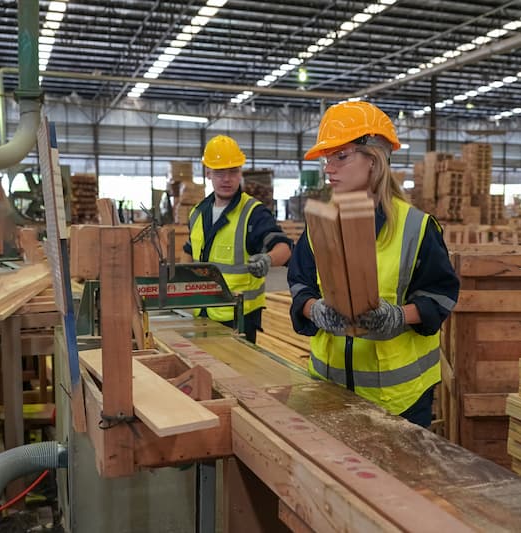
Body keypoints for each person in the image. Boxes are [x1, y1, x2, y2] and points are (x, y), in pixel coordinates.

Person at [287, 101, 460, 427]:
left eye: (341, 156)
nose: (328, 169)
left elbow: (440, 296)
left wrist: (398, 317)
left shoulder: (416, 227)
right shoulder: (320, 224)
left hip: (398, 401)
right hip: (328, 390)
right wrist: (314, 310)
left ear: (374, 158)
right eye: (327, 159)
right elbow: (300, 284)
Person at [184, 134, 292, 343]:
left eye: (233, 171)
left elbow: (284, 247)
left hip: (239, 318)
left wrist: (268, 259)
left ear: (240, 172)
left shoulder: (253, 213)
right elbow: (189, 250)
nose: (227, 179)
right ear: (208, 173)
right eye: (220, 172)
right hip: (203, 313)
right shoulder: (197, 213)